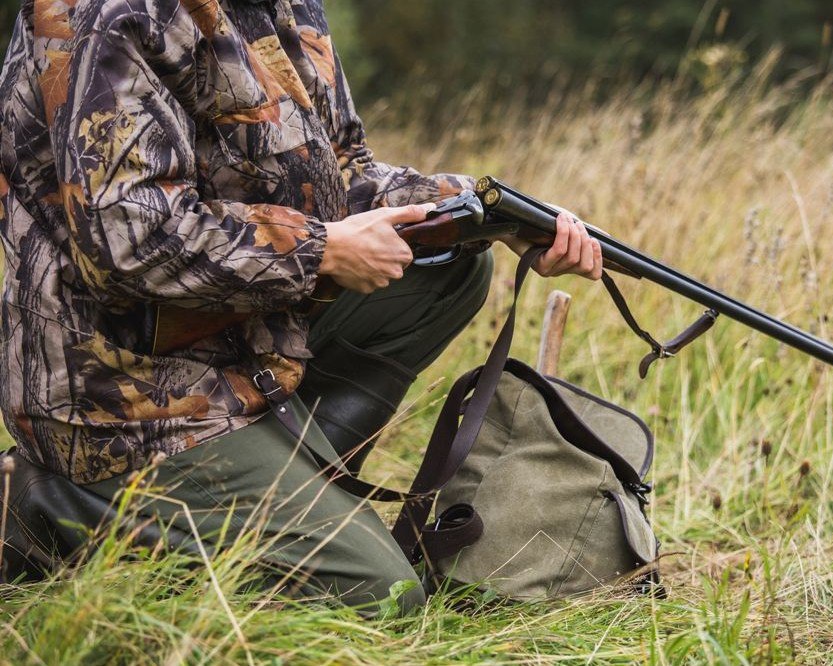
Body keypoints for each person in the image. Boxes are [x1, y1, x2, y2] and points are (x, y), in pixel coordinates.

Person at [0, 0, 601, 613]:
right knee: (382, 598)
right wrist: (321, 251)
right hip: (117, 397)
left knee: (450, 264)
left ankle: (287, 486)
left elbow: (346, 176)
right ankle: (51, 510)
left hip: (238, 350)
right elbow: (128, 236)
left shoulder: (284, 8)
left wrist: (491, 212)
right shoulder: (107, 14)